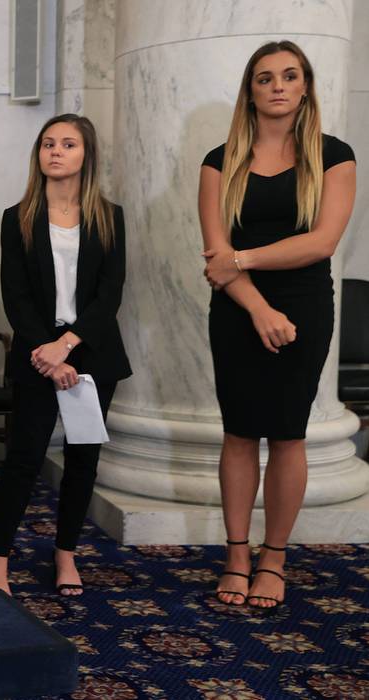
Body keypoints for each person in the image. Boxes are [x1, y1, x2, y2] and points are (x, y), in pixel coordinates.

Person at [199, 41, 355, 609]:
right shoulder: (220, 161)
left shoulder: (334, 156)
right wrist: (257, 306)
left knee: (289, 433)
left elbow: (322, 242)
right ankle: (237, 554)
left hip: (306, 306)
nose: (279, 85)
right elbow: (215, 255)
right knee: (239, 431)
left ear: (306, 85)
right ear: (251, 91)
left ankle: (275, 558)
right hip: (239, 309)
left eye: (290, 76)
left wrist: (244, 259)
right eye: (265, 78)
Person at [0, 114, 130, 596]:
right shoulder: (17, 217)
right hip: (37, 352)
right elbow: (15, 295)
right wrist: (49, 352)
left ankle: (66, 555)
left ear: (87, 155)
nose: (56, 151)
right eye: (48, 144)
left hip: (91, 351)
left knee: (83, 459)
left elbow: (110, 295)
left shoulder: (110, 217)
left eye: (68, 144)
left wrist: (68, 346)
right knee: (24, 457)